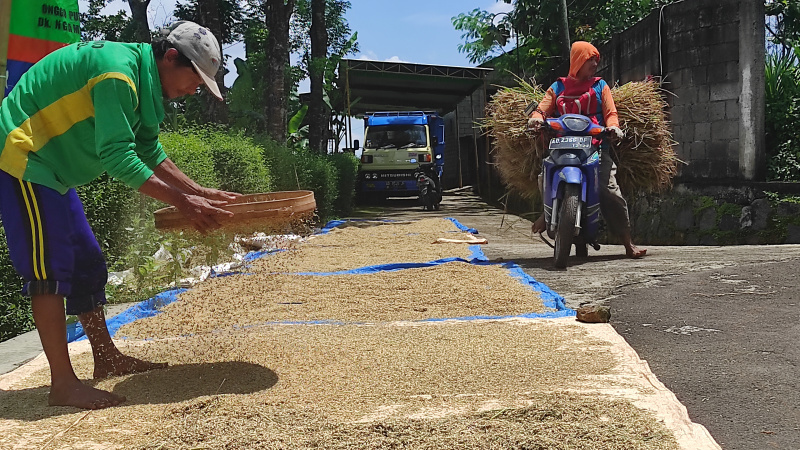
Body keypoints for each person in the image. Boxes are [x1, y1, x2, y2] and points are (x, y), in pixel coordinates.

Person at [0, 21, 241, 410]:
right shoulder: (117, 74)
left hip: (55, 171)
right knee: (51, 267)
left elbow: (147, 147)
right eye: (194, 78)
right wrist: (183, 202)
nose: (194, 89)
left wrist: (197, 191)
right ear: (171, 57)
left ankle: (106, 358)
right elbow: (118, 157)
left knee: (87, 261)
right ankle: (62, 383)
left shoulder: (144, 85)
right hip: (24, 156)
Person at [527, 41, 646, 259]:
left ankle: (628, 243)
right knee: (544, 176)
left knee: (609, 190)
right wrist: (536, 119)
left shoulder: (601, 86)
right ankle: (547, 214)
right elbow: (542, 109)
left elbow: (611, 113)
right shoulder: (558, 88)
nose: (594, 64)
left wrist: (613, 127)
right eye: (590, 59)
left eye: (596, 60)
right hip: (562, 145)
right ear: (578, 61)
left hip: (595, 147)